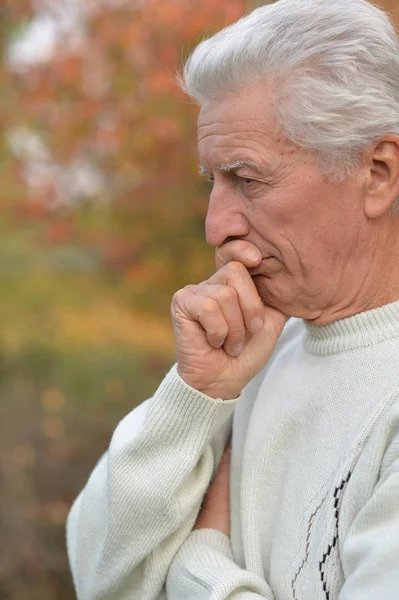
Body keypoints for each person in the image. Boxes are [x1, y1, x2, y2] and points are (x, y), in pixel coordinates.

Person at [66, 0, 399, 598]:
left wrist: (198, 566)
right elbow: (100, 578)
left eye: (247, 179)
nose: (216, 226)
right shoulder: (254, 347)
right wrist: (195, 394)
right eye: (212, 182)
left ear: (377, 171)